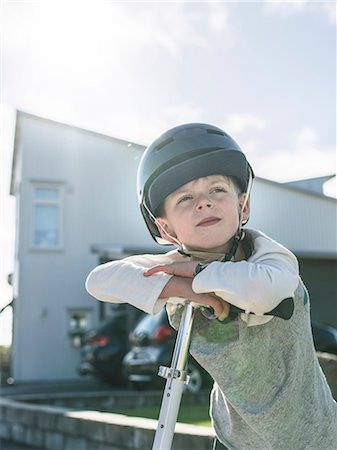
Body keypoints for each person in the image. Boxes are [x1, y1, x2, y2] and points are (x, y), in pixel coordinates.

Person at [86, 123, 337, 450]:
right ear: (166, 228)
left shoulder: (270, 255)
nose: (203, 203)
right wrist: (187, 288)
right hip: (234, 439)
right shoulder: (174, 268)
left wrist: (196, 271)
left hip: (313, 436)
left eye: (217, 190)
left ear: (243, 206)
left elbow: (267, 291)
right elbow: (99, 280)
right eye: (185, 198)